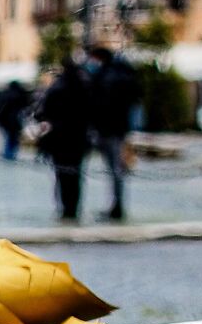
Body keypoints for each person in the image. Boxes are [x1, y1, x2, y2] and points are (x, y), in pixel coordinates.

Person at [83, 44, 141, 222]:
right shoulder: (123, 74)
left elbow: (100, 105)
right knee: (116, 170)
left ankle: (116, 208)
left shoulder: (107, 77)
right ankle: (116, 206)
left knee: (115, 170)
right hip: (118, 129)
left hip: (108, 130)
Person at [33, 60, 92, 223]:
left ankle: (64, 209)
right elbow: (93, 112)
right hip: (79, 138)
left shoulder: (56, 88)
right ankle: (74, 209)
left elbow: (42, 112)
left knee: (61, 176)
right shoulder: (84, 87)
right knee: (76, 175)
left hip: (59, 139)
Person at [0, 78, 31, 159]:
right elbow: (26, 106)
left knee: (7, 136)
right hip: (16, 120)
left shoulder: (4, 94)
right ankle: (11, 153)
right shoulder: (20, 94)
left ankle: (7, 153)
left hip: (5, 120)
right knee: (14, 137)